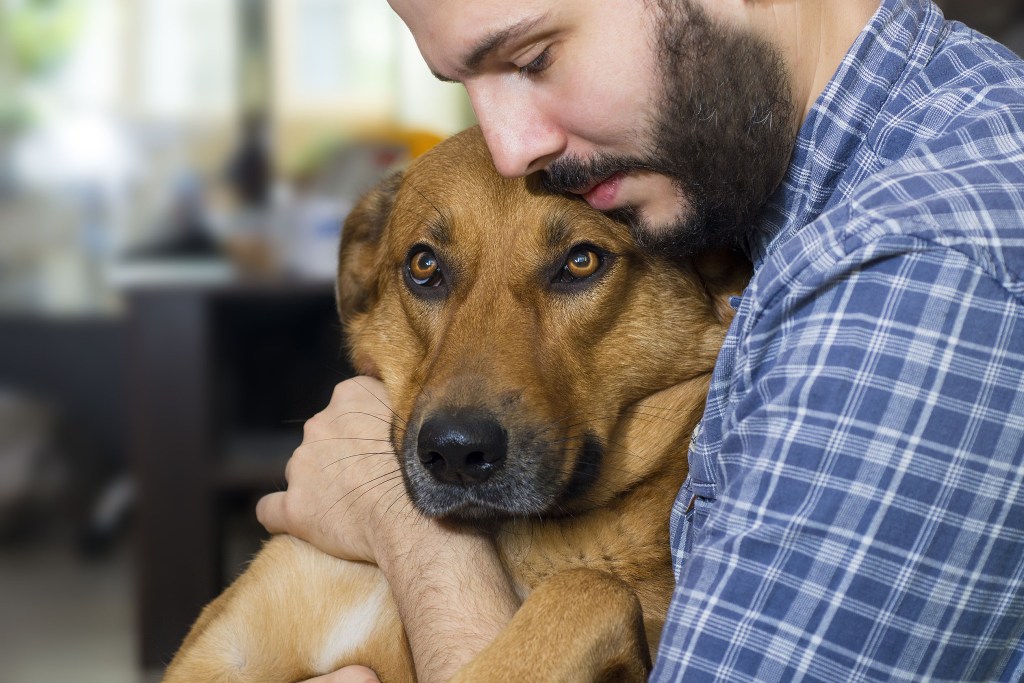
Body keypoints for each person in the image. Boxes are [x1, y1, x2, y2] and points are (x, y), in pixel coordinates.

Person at [257, 0, 1024, 680]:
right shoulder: (788, 197)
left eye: (534, 58)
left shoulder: (915, 274)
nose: (507, 148)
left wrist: (412, 535)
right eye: (464, 85)